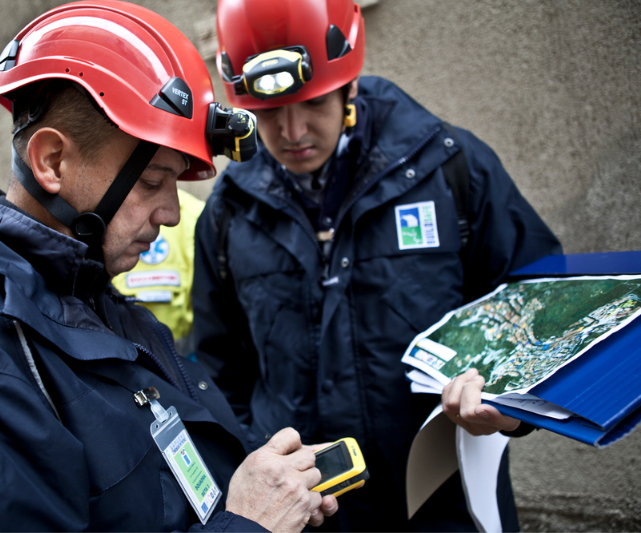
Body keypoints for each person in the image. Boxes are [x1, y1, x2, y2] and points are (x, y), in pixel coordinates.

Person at [0, 2, 337, 531]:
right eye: (151, 183)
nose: (170, 214)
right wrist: (248, 524)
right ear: (53, 161)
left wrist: (267, 488)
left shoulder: (88, 301)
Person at [192, 0, 562, 531]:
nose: (292, 131)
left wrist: (512, 407)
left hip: (442, 507)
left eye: (312, 103)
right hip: (308, 517)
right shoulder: (228, 212)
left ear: (350, 86)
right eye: (269, 113)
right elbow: (219, 370)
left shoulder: (452, 169)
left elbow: (545, 309)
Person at [113, 189, 205, 358]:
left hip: (184, 364)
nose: (171, 217)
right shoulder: (101, 208)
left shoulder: (196, 216)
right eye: (151, 182)